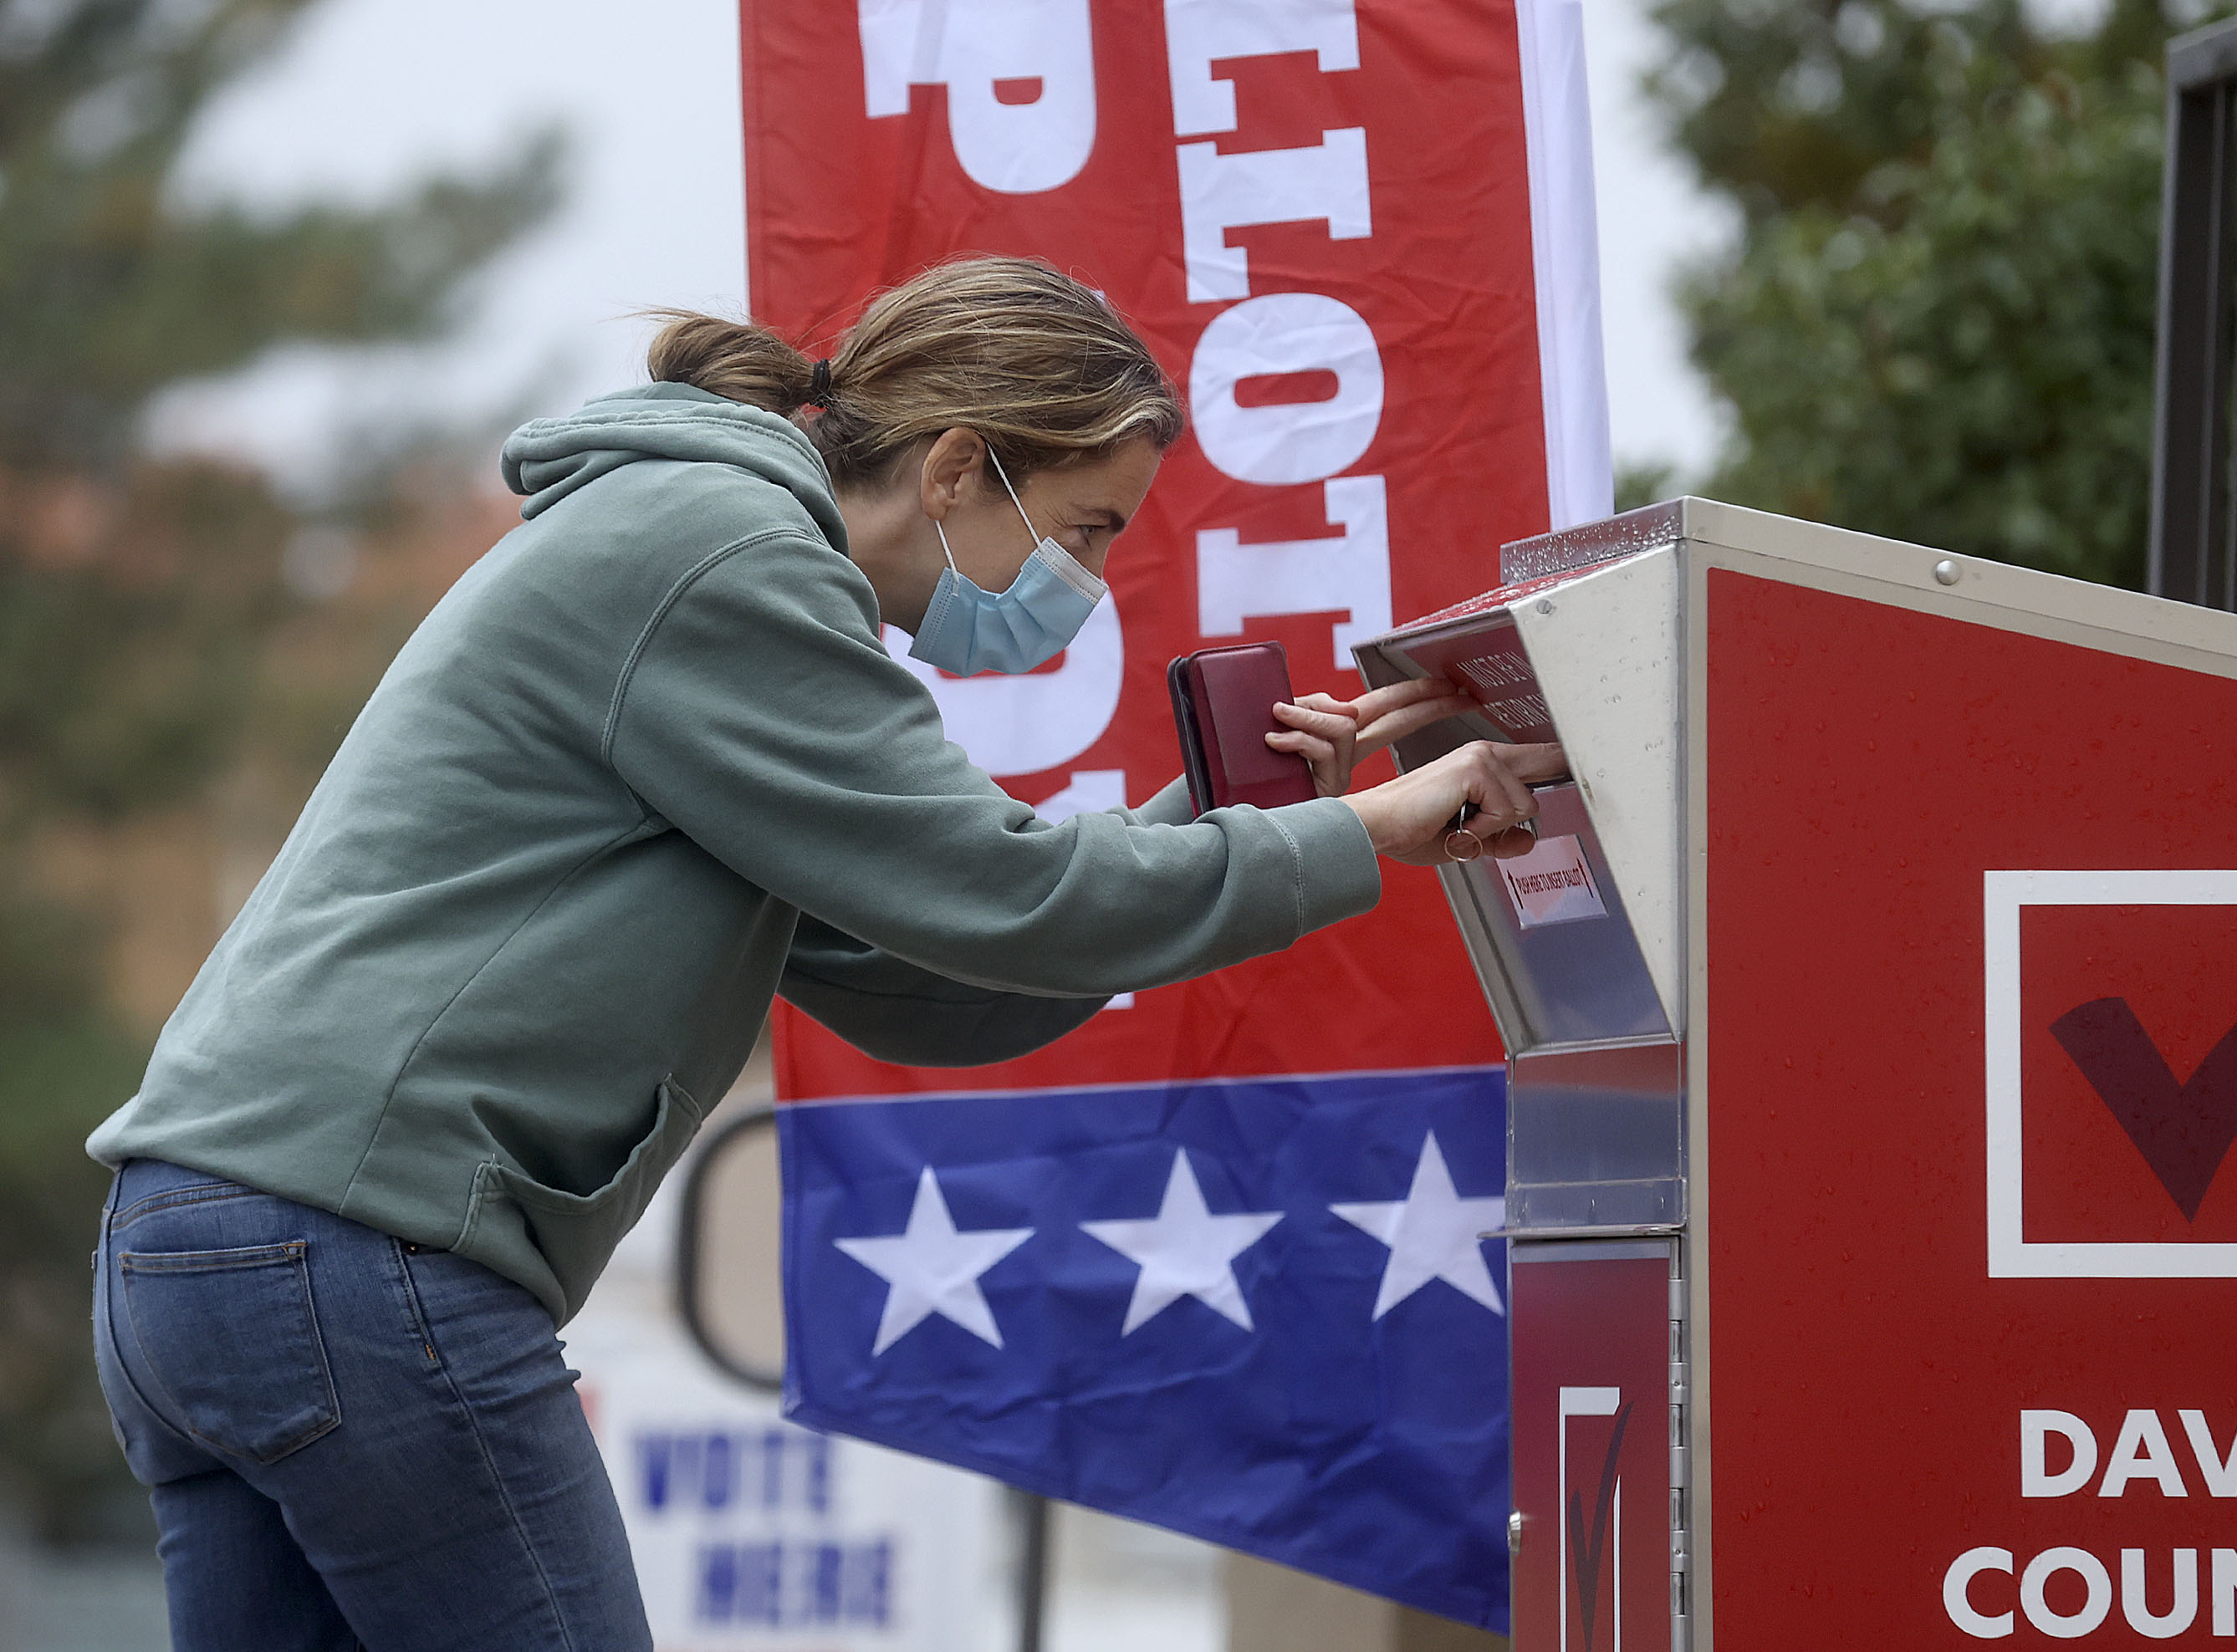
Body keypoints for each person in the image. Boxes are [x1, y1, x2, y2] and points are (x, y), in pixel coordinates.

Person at [85, 254, 1560, 1651]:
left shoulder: (686, 560)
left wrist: (1241, 824)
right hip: (355, 1254)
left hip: (208, 1251)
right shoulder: (723, 558)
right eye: (1092, 524)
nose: (1092, 579)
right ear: (955, 467)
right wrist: (1364, 836)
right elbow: (1007, 892)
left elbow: (942, 981)